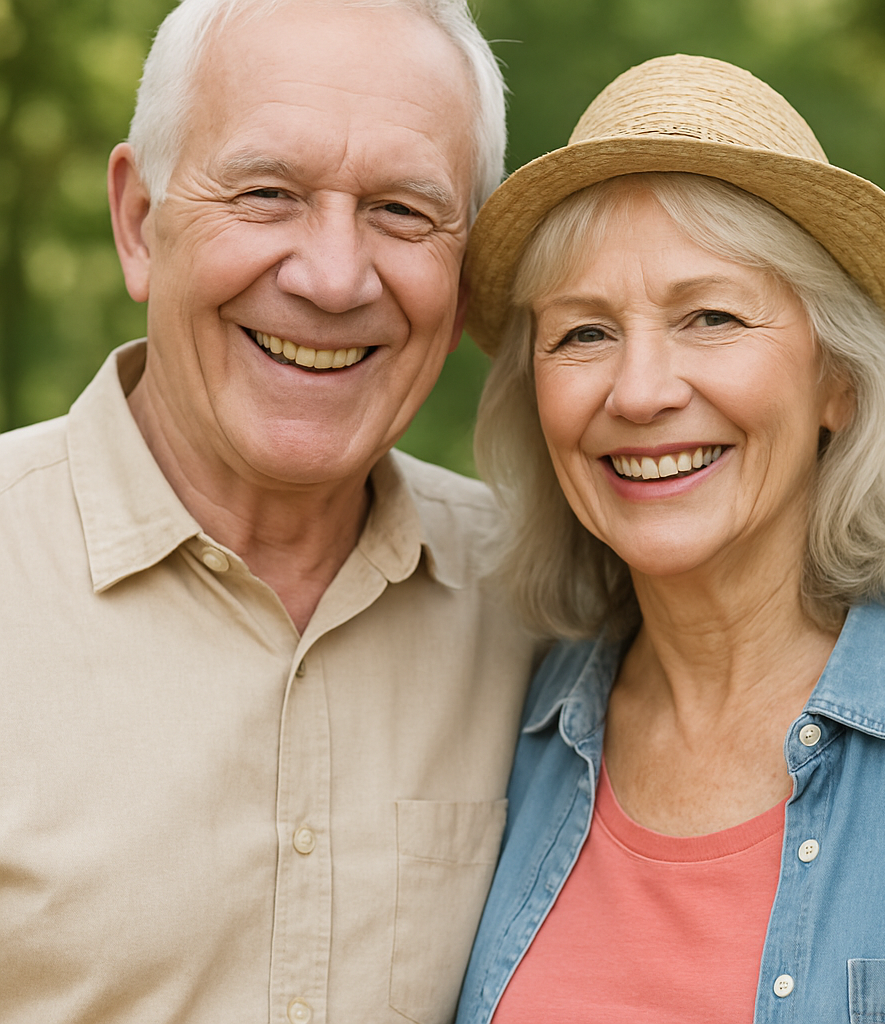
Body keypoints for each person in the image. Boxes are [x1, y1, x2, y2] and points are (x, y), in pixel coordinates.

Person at [455, 55, 885, 1023]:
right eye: (584, 333)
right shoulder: (507, 720)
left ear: (835, 380)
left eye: (709, 316)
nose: (638, 391)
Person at [0, 1, 537, 1020]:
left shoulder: (547, 604)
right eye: (266, 193)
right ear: (139, 222)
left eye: (402, 211)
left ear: (467, 277)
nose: (333, 277)